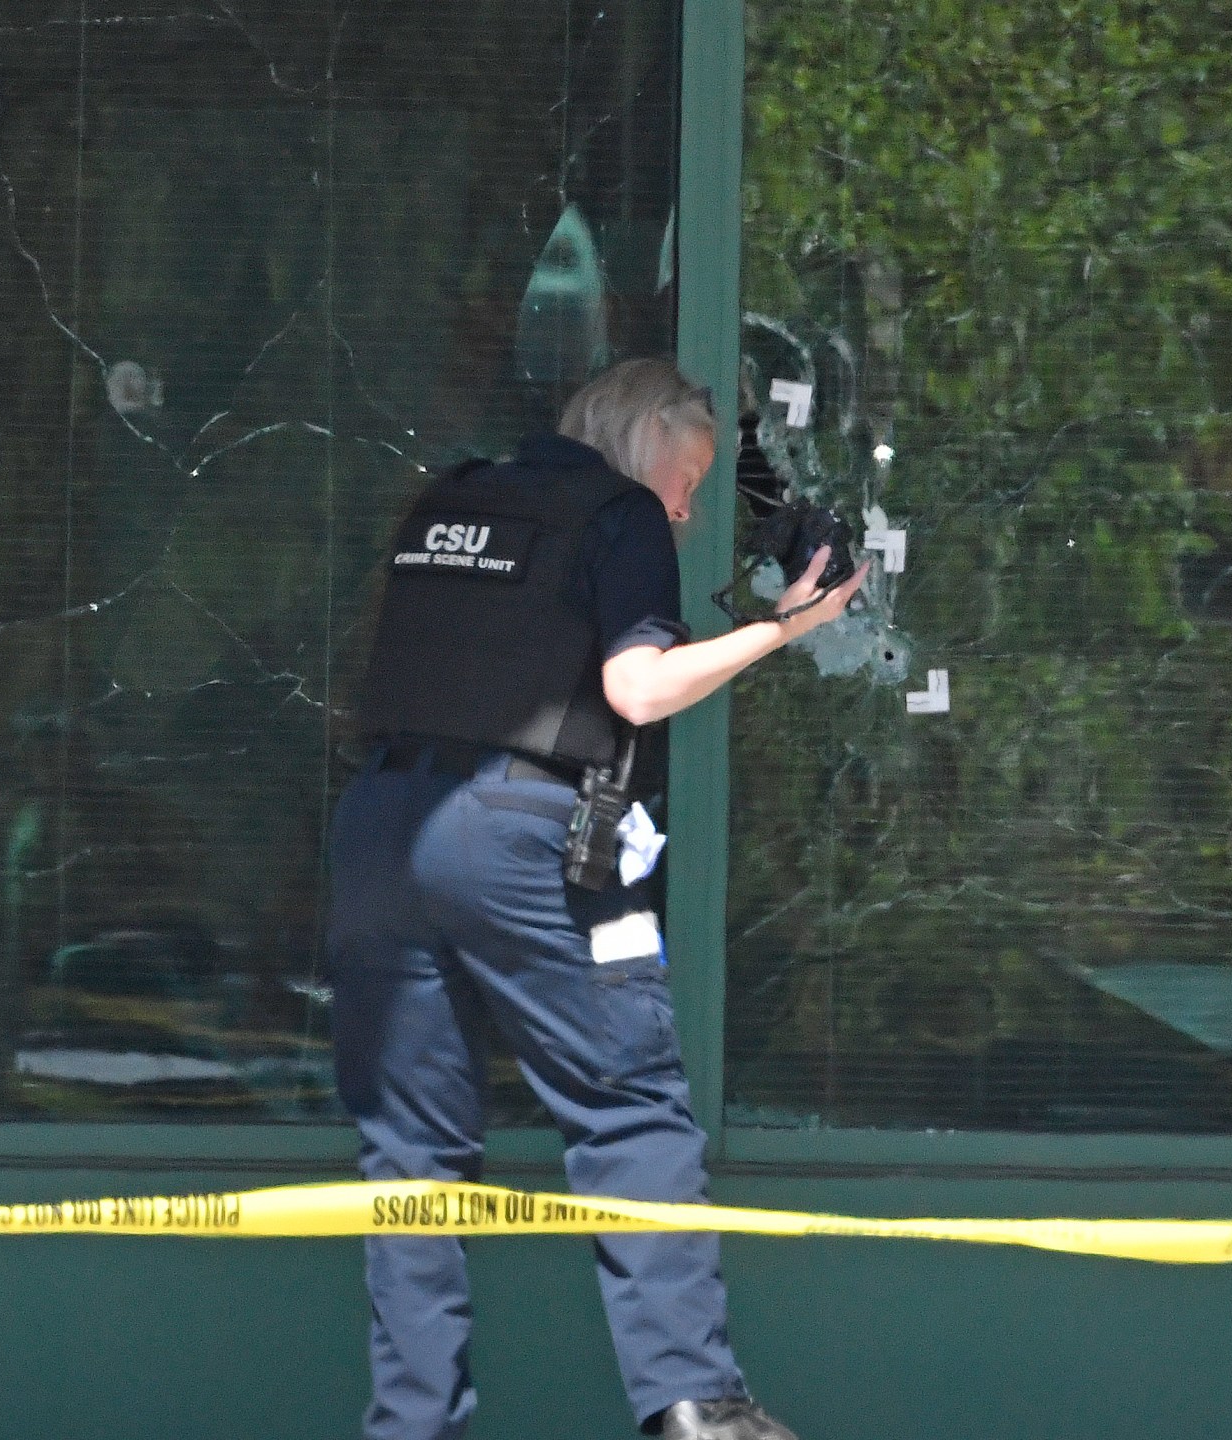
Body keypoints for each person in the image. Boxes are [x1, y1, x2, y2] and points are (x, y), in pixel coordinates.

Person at [327, 357, 864, 1440]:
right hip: (520, 833)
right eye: (691, 472)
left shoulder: (446, 499)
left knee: (411, 1154)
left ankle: (411, 1425)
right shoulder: (616, 514)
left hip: (380, 830)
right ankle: (693, 1404)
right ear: (646, 438)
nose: (688, 503)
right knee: (628, 1108)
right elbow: (637, 689)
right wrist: (785, 627)